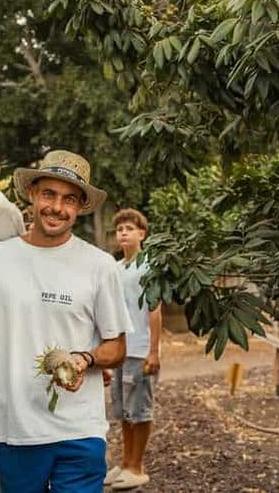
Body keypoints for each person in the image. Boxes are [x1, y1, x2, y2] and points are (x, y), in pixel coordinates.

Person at [0, 150, 133, 492]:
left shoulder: (99, 265)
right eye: (49, 194)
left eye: (69, 199)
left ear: (80, 207)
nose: (57, 207)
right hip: (14, 427)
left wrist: (84, 359)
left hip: (79, 428)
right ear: (32, 195)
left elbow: (116, 346)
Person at [103, 208, 162, 490]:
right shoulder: (116, 268)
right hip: (120, 350)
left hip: (140, 350)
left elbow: (155, 309)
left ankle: (137, 466)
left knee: (140, 410)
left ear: (142, 234)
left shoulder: (148, 266)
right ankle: (125, 463)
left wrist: (154, 351)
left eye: (129, 228)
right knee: (123, 411)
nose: (123, 233)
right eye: (119, 229)